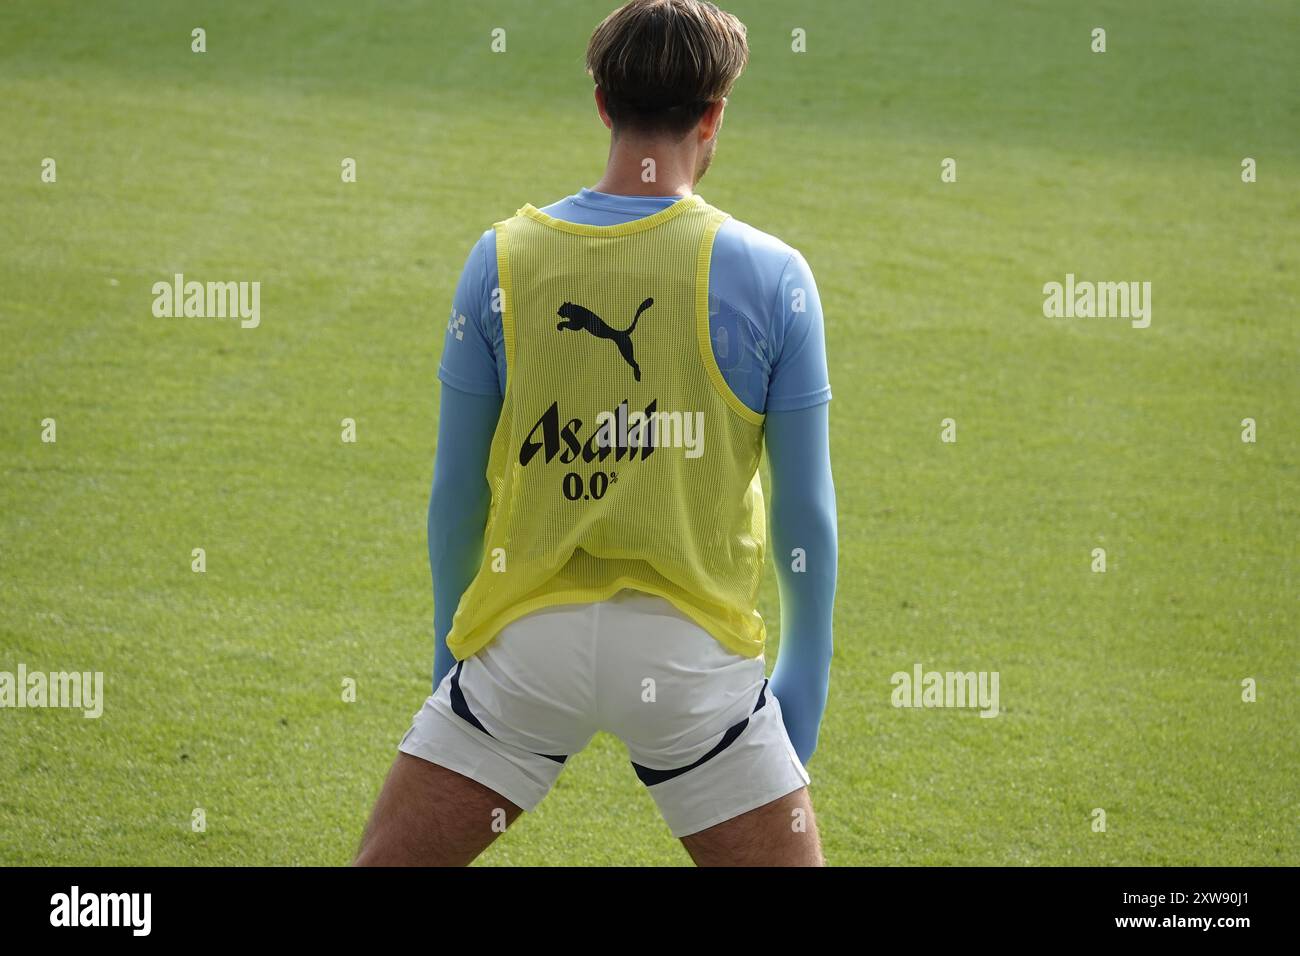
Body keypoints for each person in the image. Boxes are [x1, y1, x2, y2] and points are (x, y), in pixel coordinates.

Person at [356, 0, 837, 867]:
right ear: (715, 114)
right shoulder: (776, 277)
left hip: (525, 650)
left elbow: (457, 497)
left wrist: (450, 660)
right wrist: (806, 680)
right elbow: (808, 520)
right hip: (693, 665)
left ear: (602, 104)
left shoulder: (497, 259)